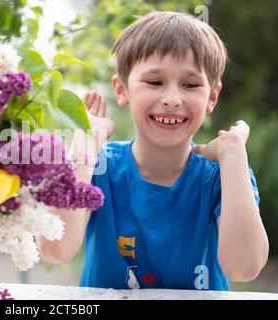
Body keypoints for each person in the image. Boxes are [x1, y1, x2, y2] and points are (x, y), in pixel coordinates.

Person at [37, 11, 269, 290]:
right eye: (155, 82)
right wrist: (85, 144)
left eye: (191, 85)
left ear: (212, 97)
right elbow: (55, 249)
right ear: (122, 89)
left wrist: (234, 154)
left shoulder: (222, 175)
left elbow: (244, 268)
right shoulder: (98, 168)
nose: (172, 99)